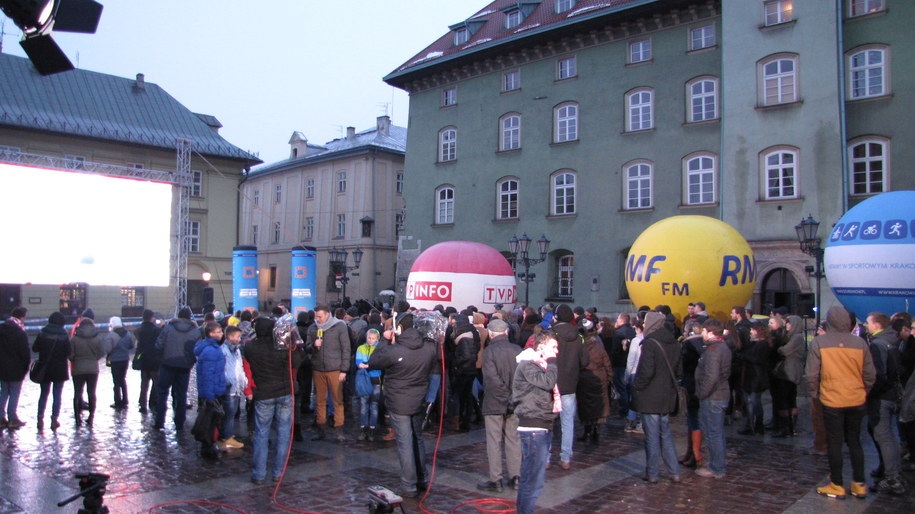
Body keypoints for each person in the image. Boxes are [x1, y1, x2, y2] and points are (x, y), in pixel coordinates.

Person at [807, 305, 876, 500]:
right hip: (856, 398)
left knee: (835, 442)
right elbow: (870, 374)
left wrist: (815, 394)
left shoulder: (820, 342)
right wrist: (864, 390)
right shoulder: (860, 343)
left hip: (832, 399)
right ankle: (859, 483)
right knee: (854, 441)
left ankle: (837, 483)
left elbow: (812, 373)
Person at [368, 311, 438, 498]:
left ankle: (409, 484)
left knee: (405, 442)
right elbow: (435, 347)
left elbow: (373, 362)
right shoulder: (429, 348)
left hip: (399, 400)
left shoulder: (395, 350)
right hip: (418, 397)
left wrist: (384, 340)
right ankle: (421, 477)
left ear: (399, 328)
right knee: (417, 438)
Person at [244, 315, 307, 484]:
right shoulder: (282, 345)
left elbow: (249, 359)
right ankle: (278, 473)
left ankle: (259, 474)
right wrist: (294, 342)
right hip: (284, 392)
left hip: (264, 393)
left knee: (261, 433)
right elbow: (297, 361)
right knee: (283, 433)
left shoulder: (250, 347)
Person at [511, 330, 560, 514]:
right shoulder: (528, 365)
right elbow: (547, 382)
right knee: (532, 480)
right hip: (533, 427)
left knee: (534, 478)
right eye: (553, 347)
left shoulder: (540, 364)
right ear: (541, 347)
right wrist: (552, 363)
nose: (556, 352)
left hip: (542, 424)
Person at [632, 311, 682, 483]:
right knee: (665, 434)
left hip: (650, 396)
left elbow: (646, 372)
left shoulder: (651, 343)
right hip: (666, 395)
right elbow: (678, 371)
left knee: (652, 436)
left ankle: (652, 473)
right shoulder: (674, 343)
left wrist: (637, 386)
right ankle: (674, 471)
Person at [477, 318, 522, 492]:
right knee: (513, 440)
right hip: (514, 401)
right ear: (506, 333)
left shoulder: (489, 351)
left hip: (495, 401)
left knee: (494, 442)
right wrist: (512, 398)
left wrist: (506, 396)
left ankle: (496, 480)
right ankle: (516, 476)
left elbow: (491, 379)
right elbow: (522, 378)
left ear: (490, 333)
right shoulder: (517, 349)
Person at [864, 312, 905, 494]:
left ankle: (893, 478)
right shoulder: (892, 341)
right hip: (893, 394)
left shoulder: (878, 344)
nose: (866, 325)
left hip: (882, 397)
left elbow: (878, 374)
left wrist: (869, 393)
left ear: (877, 325)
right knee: (884, 435)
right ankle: (889, 470)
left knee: (884, 436)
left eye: (868, 322)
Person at [552, 304, 589, 469]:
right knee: (567, 422)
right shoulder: (578, 336)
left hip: (551, 383)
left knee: (547, 422)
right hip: (570, 383)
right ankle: (566, 457)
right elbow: (585, 361)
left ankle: (545, 458)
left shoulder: (551, 334)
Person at [306, 304, 351, 442]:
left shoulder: (340, 326)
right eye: (316, 316)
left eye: (319, 316)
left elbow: (346, 348)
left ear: (327, 315)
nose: (317, 319)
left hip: (335, 368)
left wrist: (344, 369)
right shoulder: (313, 328)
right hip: (318, 368)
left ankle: (339, 430)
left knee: (337, 400)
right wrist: (314, 345)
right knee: (320, 400)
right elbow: (307, 347)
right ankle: (321, 428)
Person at [695, 318, 731, 479]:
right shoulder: (722, 347)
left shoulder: (713, 350)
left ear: (710, 332)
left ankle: (716, 467)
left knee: (713, 433)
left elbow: (712, 376)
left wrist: (702, 393)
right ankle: (718, 465)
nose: (701, 333)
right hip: (719, 394)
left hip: (713, 397)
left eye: (703, 331)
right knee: (716, 432)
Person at [154, 307, 199, 431]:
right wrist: (191, 360)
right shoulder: (195, 331)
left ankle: (159, 421)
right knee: (181, 394)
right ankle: (179, 422)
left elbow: (158, 345)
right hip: (184, 366)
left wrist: (161, 358)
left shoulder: (168, 328)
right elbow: (197, 349)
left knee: (162, 392)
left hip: (167, 364)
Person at [32, 312, 71, 430]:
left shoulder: (43, 334)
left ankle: (40, 418)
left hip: (45, 368)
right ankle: (54, 419)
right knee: (57, 395)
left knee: (43, 394)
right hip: (59, 369)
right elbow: (68, 352)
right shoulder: (64, 335)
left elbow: (35, 348)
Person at [69, 310, 106, 427]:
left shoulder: (74, 339)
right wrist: (94, 359)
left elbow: (70, 355)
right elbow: (101, 353)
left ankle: (77, 418)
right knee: (91, 393)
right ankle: (91, 417)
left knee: (77, 393)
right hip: (92, 369)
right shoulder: (97, 338)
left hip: (78, 368)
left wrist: (75, 360)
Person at [194, 322, 226, 459]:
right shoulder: (211, 351)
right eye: (218, 332)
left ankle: (209, 445)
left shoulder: (211, 348)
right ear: (210, 334)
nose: (221, 334)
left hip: (214, 389)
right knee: (209, 421)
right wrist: (210, 396)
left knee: (210, 420)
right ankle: (208, 448)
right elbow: (208, 375)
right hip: (212, 391)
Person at [577, 318, 612, 444]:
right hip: (599, 377)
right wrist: (608, 377)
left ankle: (587, 431)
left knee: (586, 406)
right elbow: (606, 362)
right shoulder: (598, 345)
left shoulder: (580, 347)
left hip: (585, 378)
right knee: (598, 406)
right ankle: (596, 431)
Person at [772, 315, 806, 438]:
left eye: (788, 323)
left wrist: (779, 348)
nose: (786, 325)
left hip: (789, 372)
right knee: (789, 399)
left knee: (785, 399)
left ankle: (786, 426)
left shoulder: (796, 337)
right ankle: (789, 426)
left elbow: (784, 350)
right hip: (788, 370)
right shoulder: (791, 336)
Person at [737, 322, 771, 435]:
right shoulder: (755, 344)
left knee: (754, 402)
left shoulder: (763, 345)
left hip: (756, 377)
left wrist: (743, 356)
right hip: (751, 376)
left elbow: (757, 359)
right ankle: (752, 425)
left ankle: (756, 425)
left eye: (752, 330)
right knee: (750, 402)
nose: (750, 332)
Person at [679, 320, 705, 468]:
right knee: (693, 419)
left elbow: (683, 365)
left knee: (693, 420)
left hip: (691, 384)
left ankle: (695, 454)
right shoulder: (706, 345)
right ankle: (692, 452)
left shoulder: (689, 346)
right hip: (699, 385)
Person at [0, 307, 31, 429]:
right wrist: (25, 367)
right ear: (22, 317)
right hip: (16, 368)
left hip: (2, 367)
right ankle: (12, 418)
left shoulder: (1, 329)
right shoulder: (20, 332)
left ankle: (1, 418)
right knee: (14, 393)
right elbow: (25, 353)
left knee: (3, 392)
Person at [220, 324, 247, 450]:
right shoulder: (223, 350)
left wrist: (243, 382)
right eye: (237, 337)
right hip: (229, 387)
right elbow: (223, 369)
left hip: (235, 387)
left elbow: (239, 368)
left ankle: (227, 434)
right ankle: (227, 437)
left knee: (232, 412)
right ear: (230, 337)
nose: (239, 339)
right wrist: (227, 382)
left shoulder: (236, 350)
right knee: (229, 413)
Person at [354, 328, 383, 441]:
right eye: (369, 338)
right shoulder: (361, 348)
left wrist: (367, 364)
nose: (370, 340)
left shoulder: (380, 348)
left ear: (377, 339)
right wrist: (370, 365)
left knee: (374, 405)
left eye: (373, 338)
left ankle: (372, 429)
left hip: (375, 378)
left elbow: (379, 363)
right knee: (363, 405)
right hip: (364, 379)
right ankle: (363, 428)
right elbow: (358, 362)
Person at [134, 309, 162, 414]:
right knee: (156, 382)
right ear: (151, 318)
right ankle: (153, 401)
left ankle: (142, 404)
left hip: (143, 360)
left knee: (144, 384)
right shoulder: (156, 330)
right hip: (154, 360)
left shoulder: (139, 330)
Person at [105, 316, 135, 409]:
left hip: (115, 361)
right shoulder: (128, 334)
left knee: (116, 382)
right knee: (123, 380)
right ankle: (125, 399)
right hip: (125, 360)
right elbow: (131, 345)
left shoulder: (111, 335)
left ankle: (117, 401)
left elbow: (108, 349)